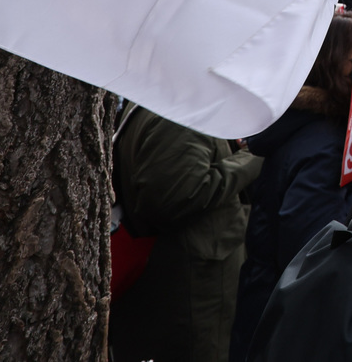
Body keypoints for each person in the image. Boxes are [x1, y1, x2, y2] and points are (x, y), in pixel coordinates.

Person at [230, 11, 352, 361]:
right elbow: (312, 254)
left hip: (274, 308)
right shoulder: (326, 145)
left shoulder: (314, 127)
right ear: (331, 65)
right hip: (292, 325)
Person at [109, 107, 262, 362]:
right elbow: (173, 198)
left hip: (192, 282)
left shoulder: (178, 108)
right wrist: (251, 159)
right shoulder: (181, 117)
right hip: (191, 290)